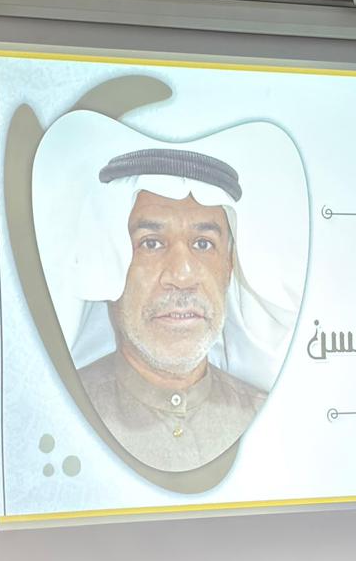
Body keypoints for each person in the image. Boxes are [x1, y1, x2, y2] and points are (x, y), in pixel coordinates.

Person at [75, 147, 269, 472]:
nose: (182, 276)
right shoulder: (62, 411)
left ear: (229, 267)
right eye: (151, 243)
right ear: (111, 265)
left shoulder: (269, 421)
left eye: (203, 244)